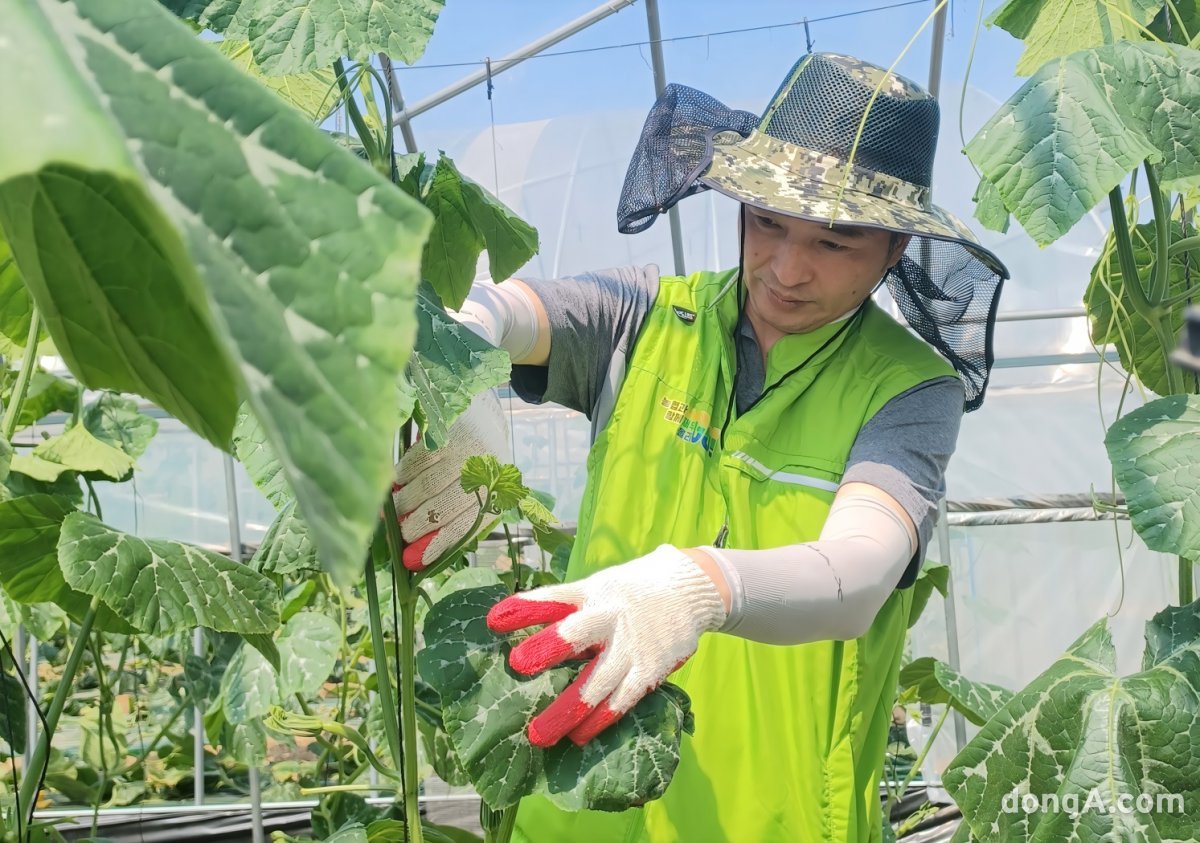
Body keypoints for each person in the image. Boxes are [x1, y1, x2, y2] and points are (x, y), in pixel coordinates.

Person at [393, 52, 1008, 842]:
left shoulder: (908, 388)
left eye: (836, 242)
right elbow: (503, 308)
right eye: (768, 222)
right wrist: (463, 375)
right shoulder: (646, 316)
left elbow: (858, 573)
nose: (786, 268)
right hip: (582, 799)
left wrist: (701, 585)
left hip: (774, 816)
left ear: (895, 250)